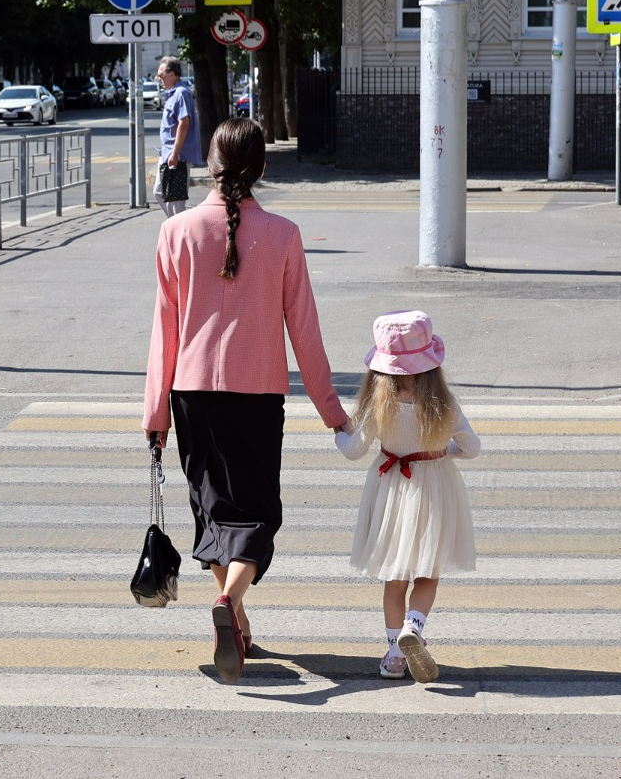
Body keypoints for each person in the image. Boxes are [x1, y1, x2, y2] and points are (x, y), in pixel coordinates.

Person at [143, 118, 349, 684]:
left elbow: (164, 331)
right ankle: (230, 603)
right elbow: (304, 329)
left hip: (191, 394)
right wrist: (332, 412)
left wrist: (155, 412)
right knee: (257, 513)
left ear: (210, 165)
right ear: (261, 167)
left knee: (213, 512)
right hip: (257, 393)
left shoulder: (175, 231)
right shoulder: (283, 234)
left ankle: (235, 618)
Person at [334, 310, 480, 683]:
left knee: (394, 576)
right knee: (428, 571)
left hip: (390, 488)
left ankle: (394, 657)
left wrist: (337, 429)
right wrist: (444, 450)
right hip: (435, 487)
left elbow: (353, 450)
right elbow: (472, 447)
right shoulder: (445, 403)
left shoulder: (377, 403)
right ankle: (413, 628)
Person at [153, 56, 201, 218]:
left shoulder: (181, 93)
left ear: (172, 74)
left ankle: (180, 226)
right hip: (166, 154)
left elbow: (184, 123)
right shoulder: (171, 93)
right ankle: (177, 224)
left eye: (161, 74)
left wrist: (175, 153)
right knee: (159, 192)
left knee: (176, 200)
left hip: (177, 156)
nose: (158, 78)